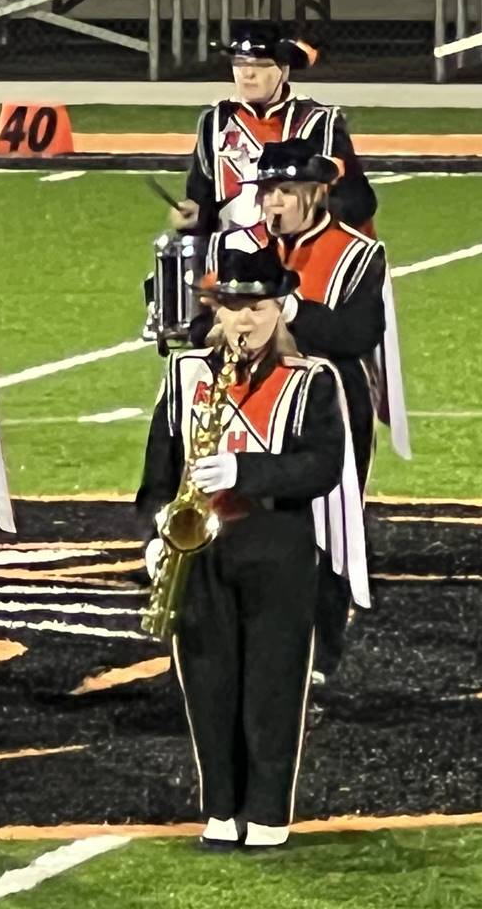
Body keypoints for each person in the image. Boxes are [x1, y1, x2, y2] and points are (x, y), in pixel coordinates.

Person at [136, 242, 366, 851]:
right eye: (233, 307)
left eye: (257, 307)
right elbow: (158, 470)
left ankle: (266, 811)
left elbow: (323, 466)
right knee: (208, 683)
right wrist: (156, 533)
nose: (245, 320)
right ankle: (220, 808)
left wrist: (246, 472)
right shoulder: (186, 374)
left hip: (277, 546)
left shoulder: (313, 379)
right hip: (200, 551)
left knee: (272, 684)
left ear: (280, 310)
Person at [221, 139, 409, 684]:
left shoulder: (357, 253)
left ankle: (321, 649)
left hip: (330, 399)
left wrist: (294, 309)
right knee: (243, 514)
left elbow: (357, 334)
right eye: (267, 192)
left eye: (285, 192)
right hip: (249, 394)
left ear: (316, 193)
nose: (272, 204)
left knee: (323, 526)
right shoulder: (241, 246)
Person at [168, 21, 376, 242]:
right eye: (239, 63)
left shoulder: (319, 122)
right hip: (230, 260)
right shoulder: (215, 122)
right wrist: (194, 216)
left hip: (298, 258)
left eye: (261, 64)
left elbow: (356, 204)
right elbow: (201, 199)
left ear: (283, 70)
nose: (247, 74)